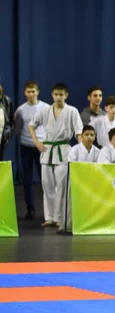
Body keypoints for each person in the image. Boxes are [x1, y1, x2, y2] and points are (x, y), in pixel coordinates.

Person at [29, 83, 83, 232]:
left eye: (61, 95)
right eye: (56, 94)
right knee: (47, 185)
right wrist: (37, 142)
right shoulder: (45, 111)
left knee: (62, 185)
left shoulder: (72, 111)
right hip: (47, 149)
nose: (58, 97)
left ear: (66, 95)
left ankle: (61, 218)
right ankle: (51, 217)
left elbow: (79, 132)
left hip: (63, 149)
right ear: (52, 95)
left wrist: (80, 151)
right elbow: (31, 125)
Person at [14, 81, 50, 219]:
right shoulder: (21, 110)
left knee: (45, 179)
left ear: (38, 92)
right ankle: (30, 209)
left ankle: (49, 210)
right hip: (26, 147)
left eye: (33, 91)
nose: (31, 94)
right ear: (24, 93)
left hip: (42, 147)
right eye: (28, 91)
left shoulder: (46, 108)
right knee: (27, 180)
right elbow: (17, 128)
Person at [0, 84, 15, 161]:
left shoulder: (7, 101)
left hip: (3, 138)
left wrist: (9, 134)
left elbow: (12, 120)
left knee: (1, 162)